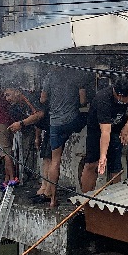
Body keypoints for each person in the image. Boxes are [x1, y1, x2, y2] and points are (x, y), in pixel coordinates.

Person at [40, 69, 87, 207]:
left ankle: (53, 199)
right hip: (72, 121)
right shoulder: (77, 75)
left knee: (56, 160)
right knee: (90, 118)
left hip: (55, 123)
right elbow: (83, 101)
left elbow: (42, 99)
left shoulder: (49, 75)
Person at [2, 85, 48, 202]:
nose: (7, 99)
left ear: (16, 91)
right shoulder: (16, 106)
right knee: (43, 156)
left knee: (48, 157)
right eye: (5, 96)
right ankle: (43, 186)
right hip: (40, 128)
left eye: (8, 95)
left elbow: (40, 114)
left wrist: (21, 124)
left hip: (51, 124)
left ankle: (46, 188)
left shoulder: (28, 97)